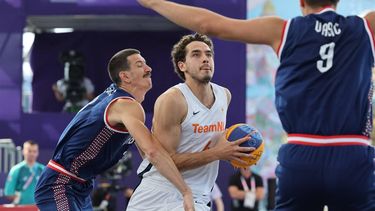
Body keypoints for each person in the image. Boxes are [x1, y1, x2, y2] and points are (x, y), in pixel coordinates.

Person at [137, 0, 375, 210]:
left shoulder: (284, 29)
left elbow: (209, 24)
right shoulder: (366, 27)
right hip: (351, 152)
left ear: (301, 2)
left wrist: (154, 2)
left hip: (302, 153)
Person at [34, 48, 194, 211]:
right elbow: (152, 152)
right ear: (124, 76)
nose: (148, 68)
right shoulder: (126, 105)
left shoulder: (114, 97)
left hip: (79, 185)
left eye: (146, 64)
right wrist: (185, 191)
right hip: (61, 183)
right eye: (140, 65)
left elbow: (148, 155)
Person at [127, 34, 253, 211]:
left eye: (208, 54)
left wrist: (237, 151)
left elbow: (208, 143)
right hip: (160, 194)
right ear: (182, 65)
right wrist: (218, 153)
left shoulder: (225, 95)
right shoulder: (172, 100)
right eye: (196, 54)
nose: (205, 59)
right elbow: (166, 160)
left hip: (200, 195)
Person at [4, 140, 45, 205]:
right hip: (21, 207)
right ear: (23, 151)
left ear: (38, 153)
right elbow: (9, 192)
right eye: (29, 151)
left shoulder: (43, 169)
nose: (32, 154)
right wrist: (19, 199)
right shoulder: (16, 170)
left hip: (38, 208)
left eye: (34, 151)